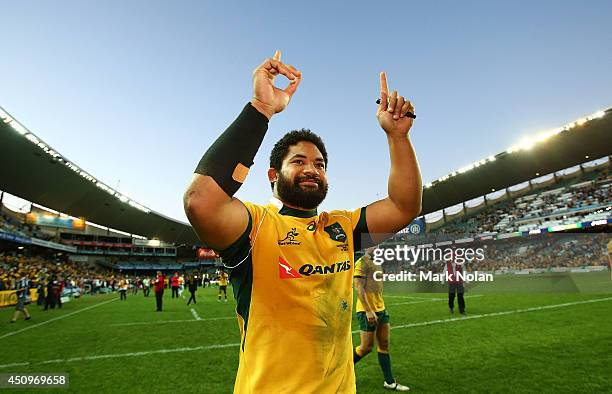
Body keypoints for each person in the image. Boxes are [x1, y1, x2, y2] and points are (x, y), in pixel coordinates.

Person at [184, 50, 422, 393]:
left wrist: (398, 138)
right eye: (299, 161)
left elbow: (404, 205)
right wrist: (261, 109)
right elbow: (200, 200)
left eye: (321, 164)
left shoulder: (344, 228)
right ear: (272, 174)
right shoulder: (255, 226)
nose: (312, 169)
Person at [353, 249, 410, 391]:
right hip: (367, 312)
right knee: (366, 347)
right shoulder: (361, 263)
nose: (376, 247)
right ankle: (342, 371)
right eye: (372, 245)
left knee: (384, 344)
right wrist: (368, 310)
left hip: (381, 309)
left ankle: (389, 382)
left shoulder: (378, 263)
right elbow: (358, 288)